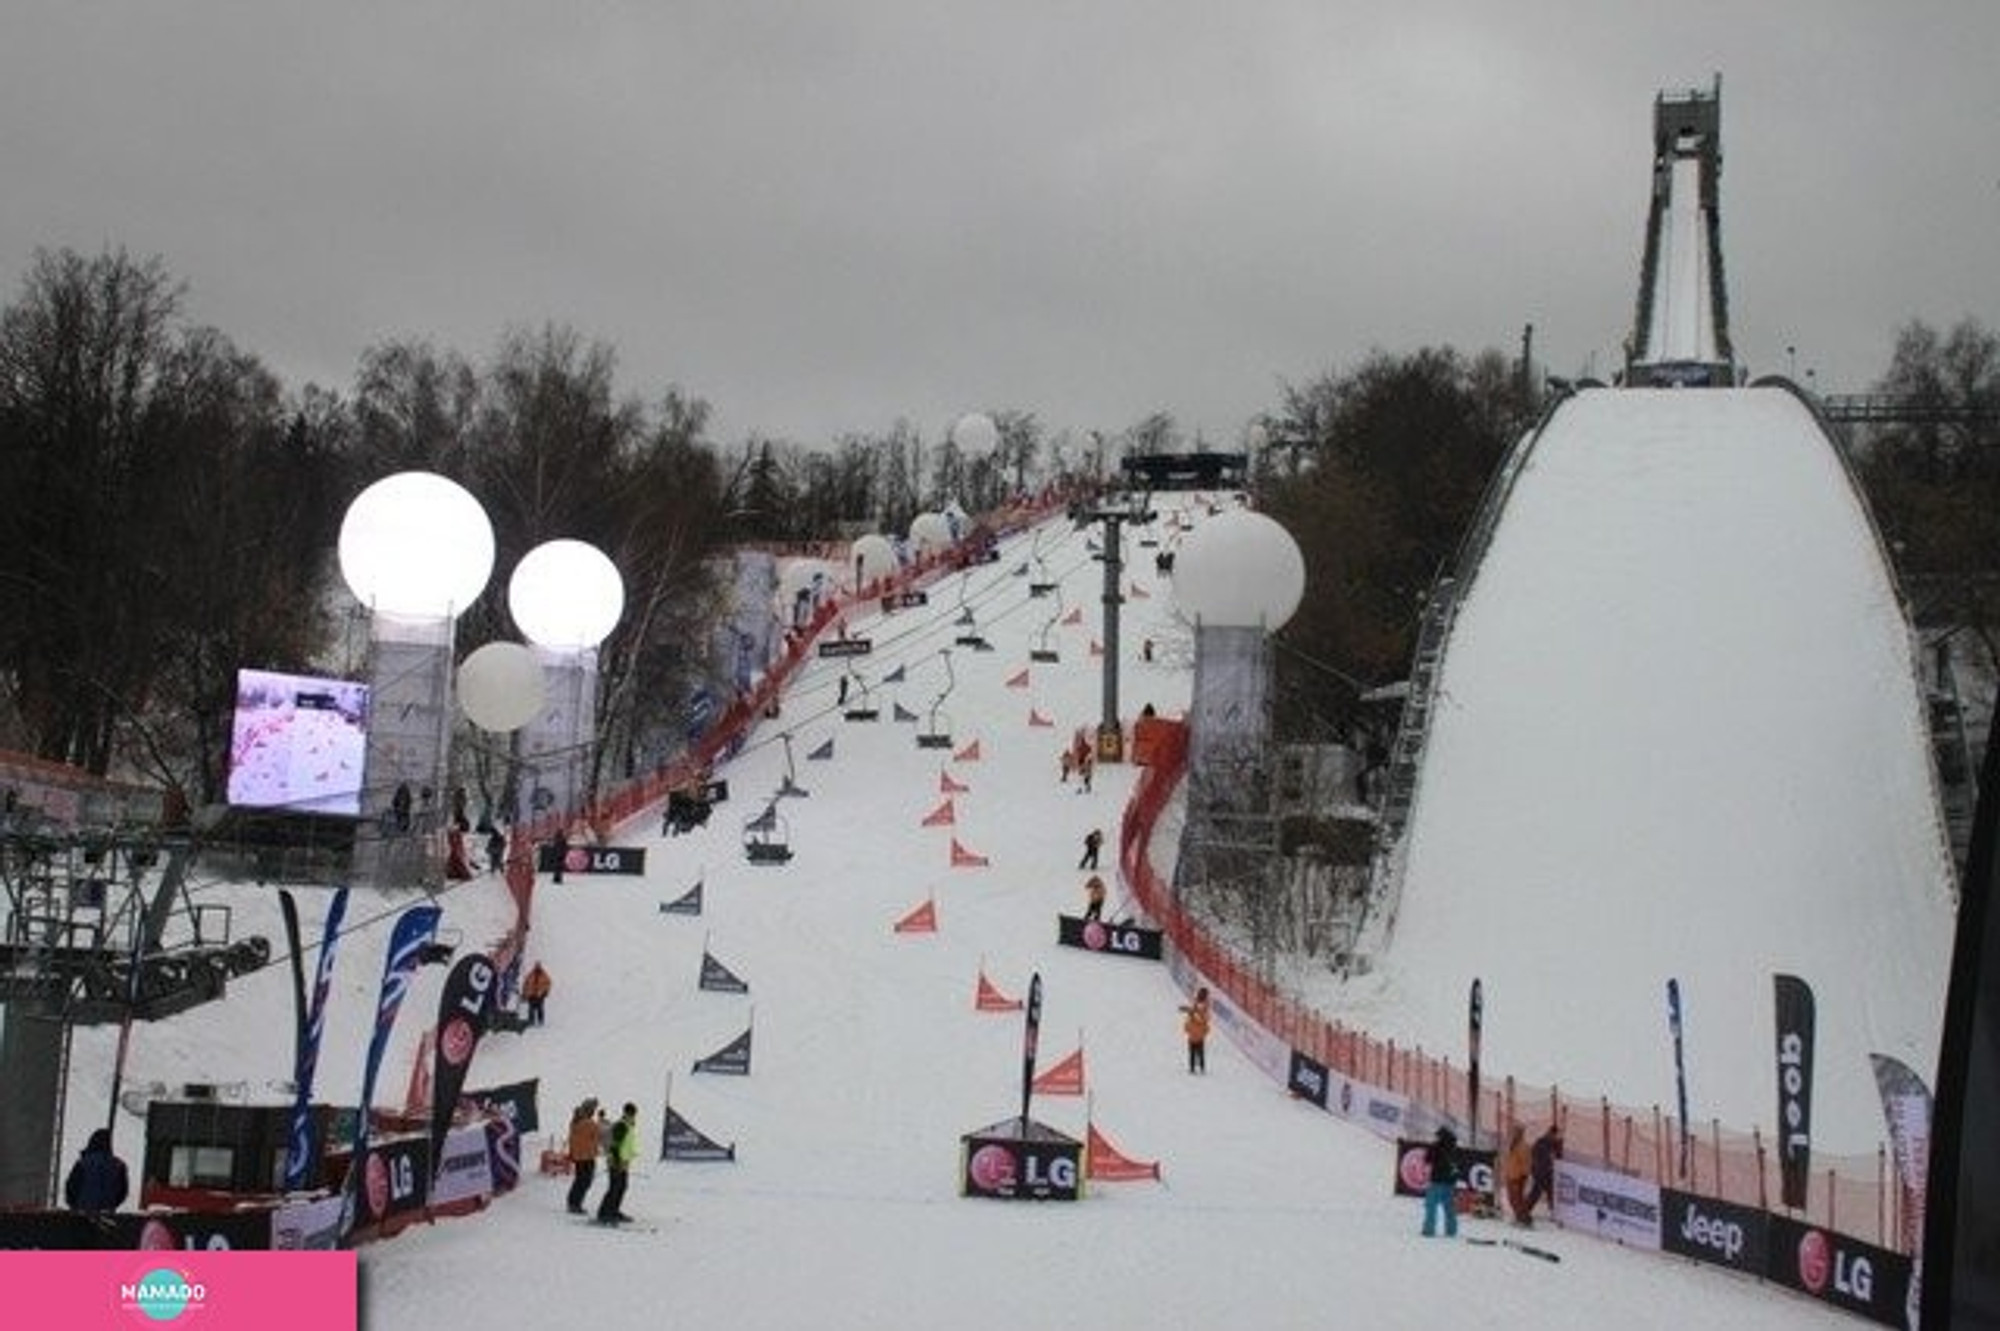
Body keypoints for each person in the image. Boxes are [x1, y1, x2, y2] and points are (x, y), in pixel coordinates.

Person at [64, 1128, 129, 1215]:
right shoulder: (119, 1166)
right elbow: (122, 1192)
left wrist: (75, 1206)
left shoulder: (82, 1164)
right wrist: (110, 1205)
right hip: (106, 1217)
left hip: (81, 1216)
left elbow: (71, 1188)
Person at [596, 1102, 640, 1224]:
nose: (633, 1115)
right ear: (625, 1112)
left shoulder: (628, 1125)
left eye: (633, 1114)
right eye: (631, 1113)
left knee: (622, 1187)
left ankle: (614, 1211)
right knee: (614, 1188)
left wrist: (625, 1161)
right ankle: (604, 1214)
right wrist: (617, 1162)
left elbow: (626, 1145)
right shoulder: (621, 1125)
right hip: (616, 1162)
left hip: (623, 1163)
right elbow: (615, 1146)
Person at [1422, 1126, 1461, 1238]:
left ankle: (1429, 1230)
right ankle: (1451, 1231)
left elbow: (1427, 1159)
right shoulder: (1454, 1147)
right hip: (1450, 1182)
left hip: (1437, 1181)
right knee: (1449, 1208)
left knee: (1431, 1206)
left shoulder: (1436, 1146)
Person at [565, 1098, 602, 1214]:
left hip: (581, 1155)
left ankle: (574, 1202)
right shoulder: (587, 1123)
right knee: (584, 1181)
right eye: (593, 1109)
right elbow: (598, 1134)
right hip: (586, 1156)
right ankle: (574, 1203)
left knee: (581, 1180)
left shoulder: (577, 1120)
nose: (594, 1112)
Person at [1523, 1125, 1563, 1219]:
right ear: (1550, 1133)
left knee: (1551, 1191)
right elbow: (1536, 1157)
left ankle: (1553, 1211)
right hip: (1539, 1171)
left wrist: (1559, 1146)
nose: (1554, 1137)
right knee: (1537, 1192)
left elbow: (1559, 1156)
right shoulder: (1541, 1142)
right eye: (1553, 1135)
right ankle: (1525, 1210)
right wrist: (1535, 1170)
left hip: (1547, 1172)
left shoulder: (1552, 1143)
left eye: (1555, 1136)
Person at [1501, 1123, 1533, 1226]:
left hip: (1518, 1177)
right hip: (1510, 1175)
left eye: (1516, 1132)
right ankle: (1519, 1217)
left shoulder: (1523, 1146)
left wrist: (1523, 1176)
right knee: (1512, 1199)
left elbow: (1527, 1162)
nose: (1514, 1134)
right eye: (1513, 1132)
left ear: (1521, 1134)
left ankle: (1525, 1219)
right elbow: (1508, 1159)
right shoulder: (1511, 1144)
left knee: (1518, 1199)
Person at [1180, 987, 1211, 1074]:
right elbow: (1195, 1015)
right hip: (1196, 1032)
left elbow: (1200, 1018)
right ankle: (1196, 1068)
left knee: (1196, 1051)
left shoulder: (1203, 1007)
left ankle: (1197, 1068)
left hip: (1196, 1033)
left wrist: (1190, 1013)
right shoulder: (1199, 1005)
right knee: (1196, 1052)